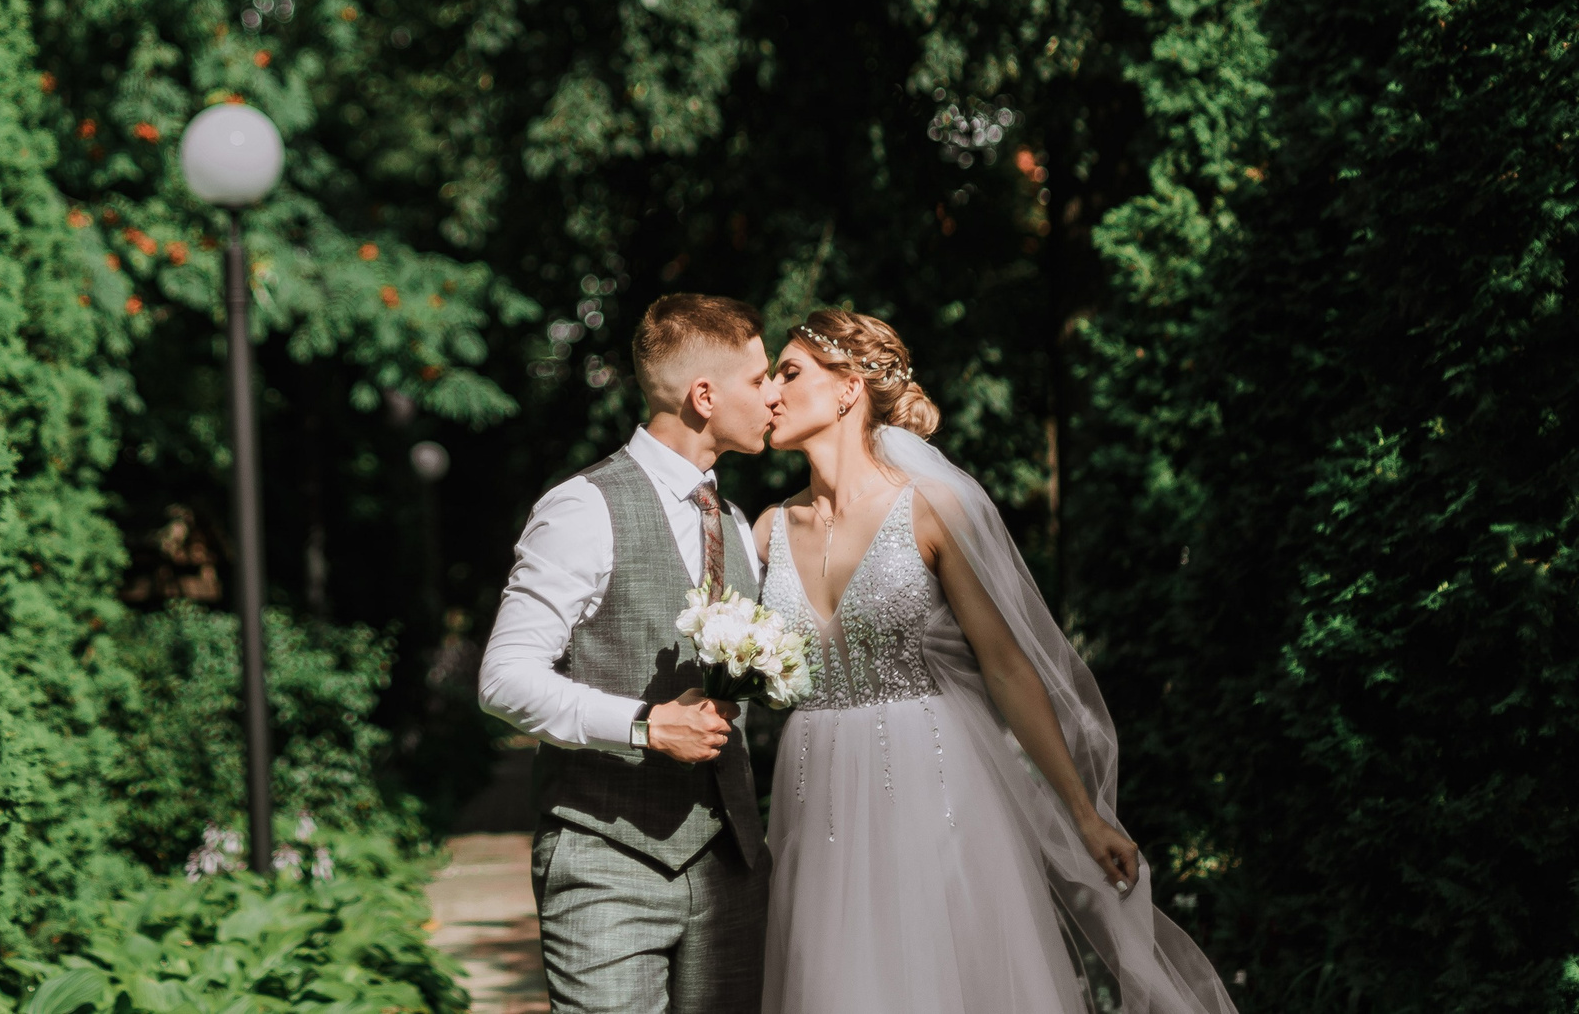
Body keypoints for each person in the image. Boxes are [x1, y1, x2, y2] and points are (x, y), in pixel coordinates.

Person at [755, 308, 1238, 1014]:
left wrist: (1084, 812)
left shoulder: (929, 507)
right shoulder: (767, 530)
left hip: (926, 784)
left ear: (847, 388)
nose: (769, 390)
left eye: (788, 371)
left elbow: (1008, 667)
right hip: (813, 794)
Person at [479, 293, 782, 1014]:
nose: (776, 395)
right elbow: (504, 678)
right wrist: (646, 724)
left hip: (729, 866)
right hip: (605, 862)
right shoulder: (582, 507)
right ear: (704, 395)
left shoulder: (737, 523)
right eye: (761, 377)